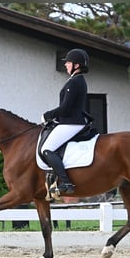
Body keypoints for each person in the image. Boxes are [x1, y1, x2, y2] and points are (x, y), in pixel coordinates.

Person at [40, 48, 90, 194]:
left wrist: (48, 115)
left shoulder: (75, 82)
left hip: (72, 122)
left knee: (46, 149)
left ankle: (66, 182)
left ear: (77, 65)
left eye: (68, 62)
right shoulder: (75, 80)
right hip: (69, 121)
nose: (66, 65)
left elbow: (66, 108)